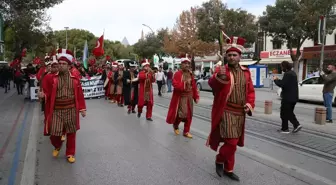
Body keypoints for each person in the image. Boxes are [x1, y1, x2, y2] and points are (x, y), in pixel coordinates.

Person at [206, 36, 255, 181]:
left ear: (240, 56)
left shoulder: (246, 72)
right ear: (226, 56)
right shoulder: (222, 70)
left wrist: (249, 103)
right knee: (232, 143)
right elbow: (212, 84)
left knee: (231, 143)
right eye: (229, 55)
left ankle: (229, 169)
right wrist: (218, 76)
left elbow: (251, 91)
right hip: (226, 111)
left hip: (240, 112)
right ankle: (219, 159)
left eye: (235, 55)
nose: (232, 57)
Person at [39, 48, 86, 163]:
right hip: (56, 110)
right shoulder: (51, 78)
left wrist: (82, 109)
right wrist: (42, 96)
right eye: (59, 63)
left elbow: (79, 95)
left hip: (71, 109)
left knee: (71, 133)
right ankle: (57, 145)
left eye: (64, 64)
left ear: (69, 66)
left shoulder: (75, 79)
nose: (61, 66)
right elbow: (47, 93)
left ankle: (70, 153)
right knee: (54, 133)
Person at [166, 54, 199, 138]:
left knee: (189, 115)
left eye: (188, 63)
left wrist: (196, 96)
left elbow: (194, 86)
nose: (187, 65)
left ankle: (186, 131)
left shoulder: (191, 74)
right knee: (181, 114)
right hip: (181, 97)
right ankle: (176, 124)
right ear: (181, 64)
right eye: (185, 63)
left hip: (189, 97)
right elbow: (175, 85)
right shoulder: (177, 74)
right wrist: (184, 83)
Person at [273, 61, 302, 133]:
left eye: (281, 67)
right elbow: (286, 83)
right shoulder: (293, 73)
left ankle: (292, 126)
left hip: (287, 98)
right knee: (288, 112)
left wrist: (276, 80)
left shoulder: (287, 74)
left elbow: (282, 84)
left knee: (285, 113)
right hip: (294, 97)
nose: (281, 68)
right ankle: (288, 127)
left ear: (284, 67)